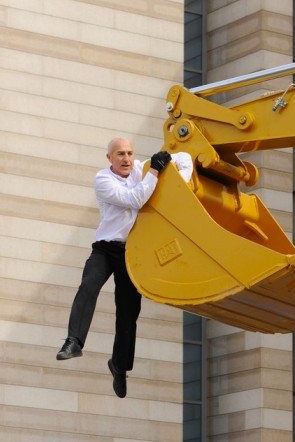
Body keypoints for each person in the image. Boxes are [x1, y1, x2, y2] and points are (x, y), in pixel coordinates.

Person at [56, 137, 193, 398]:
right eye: (120, 154)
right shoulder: (103, 180)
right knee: (89, 285)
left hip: (133, 252)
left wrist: (178, 185)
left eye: (130, 153)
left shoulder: (141, 169)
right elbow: (134, 200)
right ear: (109, 158)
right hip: (106, 248)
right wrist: (155, 172)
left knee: (128, 314)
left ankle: (119, 367)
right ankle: (74, 341)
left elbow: (185, 159)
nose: (126, 159)